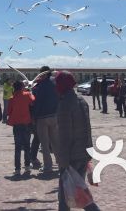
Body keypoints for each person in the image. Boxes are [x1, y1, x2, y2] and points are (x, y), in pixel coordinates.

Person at [55, 70, 101, 211]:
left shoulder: (65, 105)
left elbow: (65, 135)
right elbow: (88, 128)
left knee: (69, 196)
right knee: (76, 191)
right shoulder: (82, 101)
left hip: (71, 156)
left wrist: (63, 160)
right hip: (83, 152)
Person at [32, 65, 59, 173]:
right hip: (54, 115)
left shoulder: (39, 86)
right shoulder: (55, 83)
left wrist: (34, 116)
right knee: (55, 141)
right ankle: (61, 162)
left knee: (44, 143)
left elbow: (37, 102)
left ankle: (48, 166)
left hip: (42, 117)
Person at [7, 80, 35, 175]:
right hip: (26, 123)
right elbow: (33, 101)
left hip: (16, 124)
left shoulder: (12, 98)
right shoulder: (27, 95)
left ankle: (17, 169)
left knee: (18, 147)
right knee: (27, 146)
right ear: (22, 87)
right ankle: (27, 167)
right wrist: (29, 91)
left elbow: (8, 111)